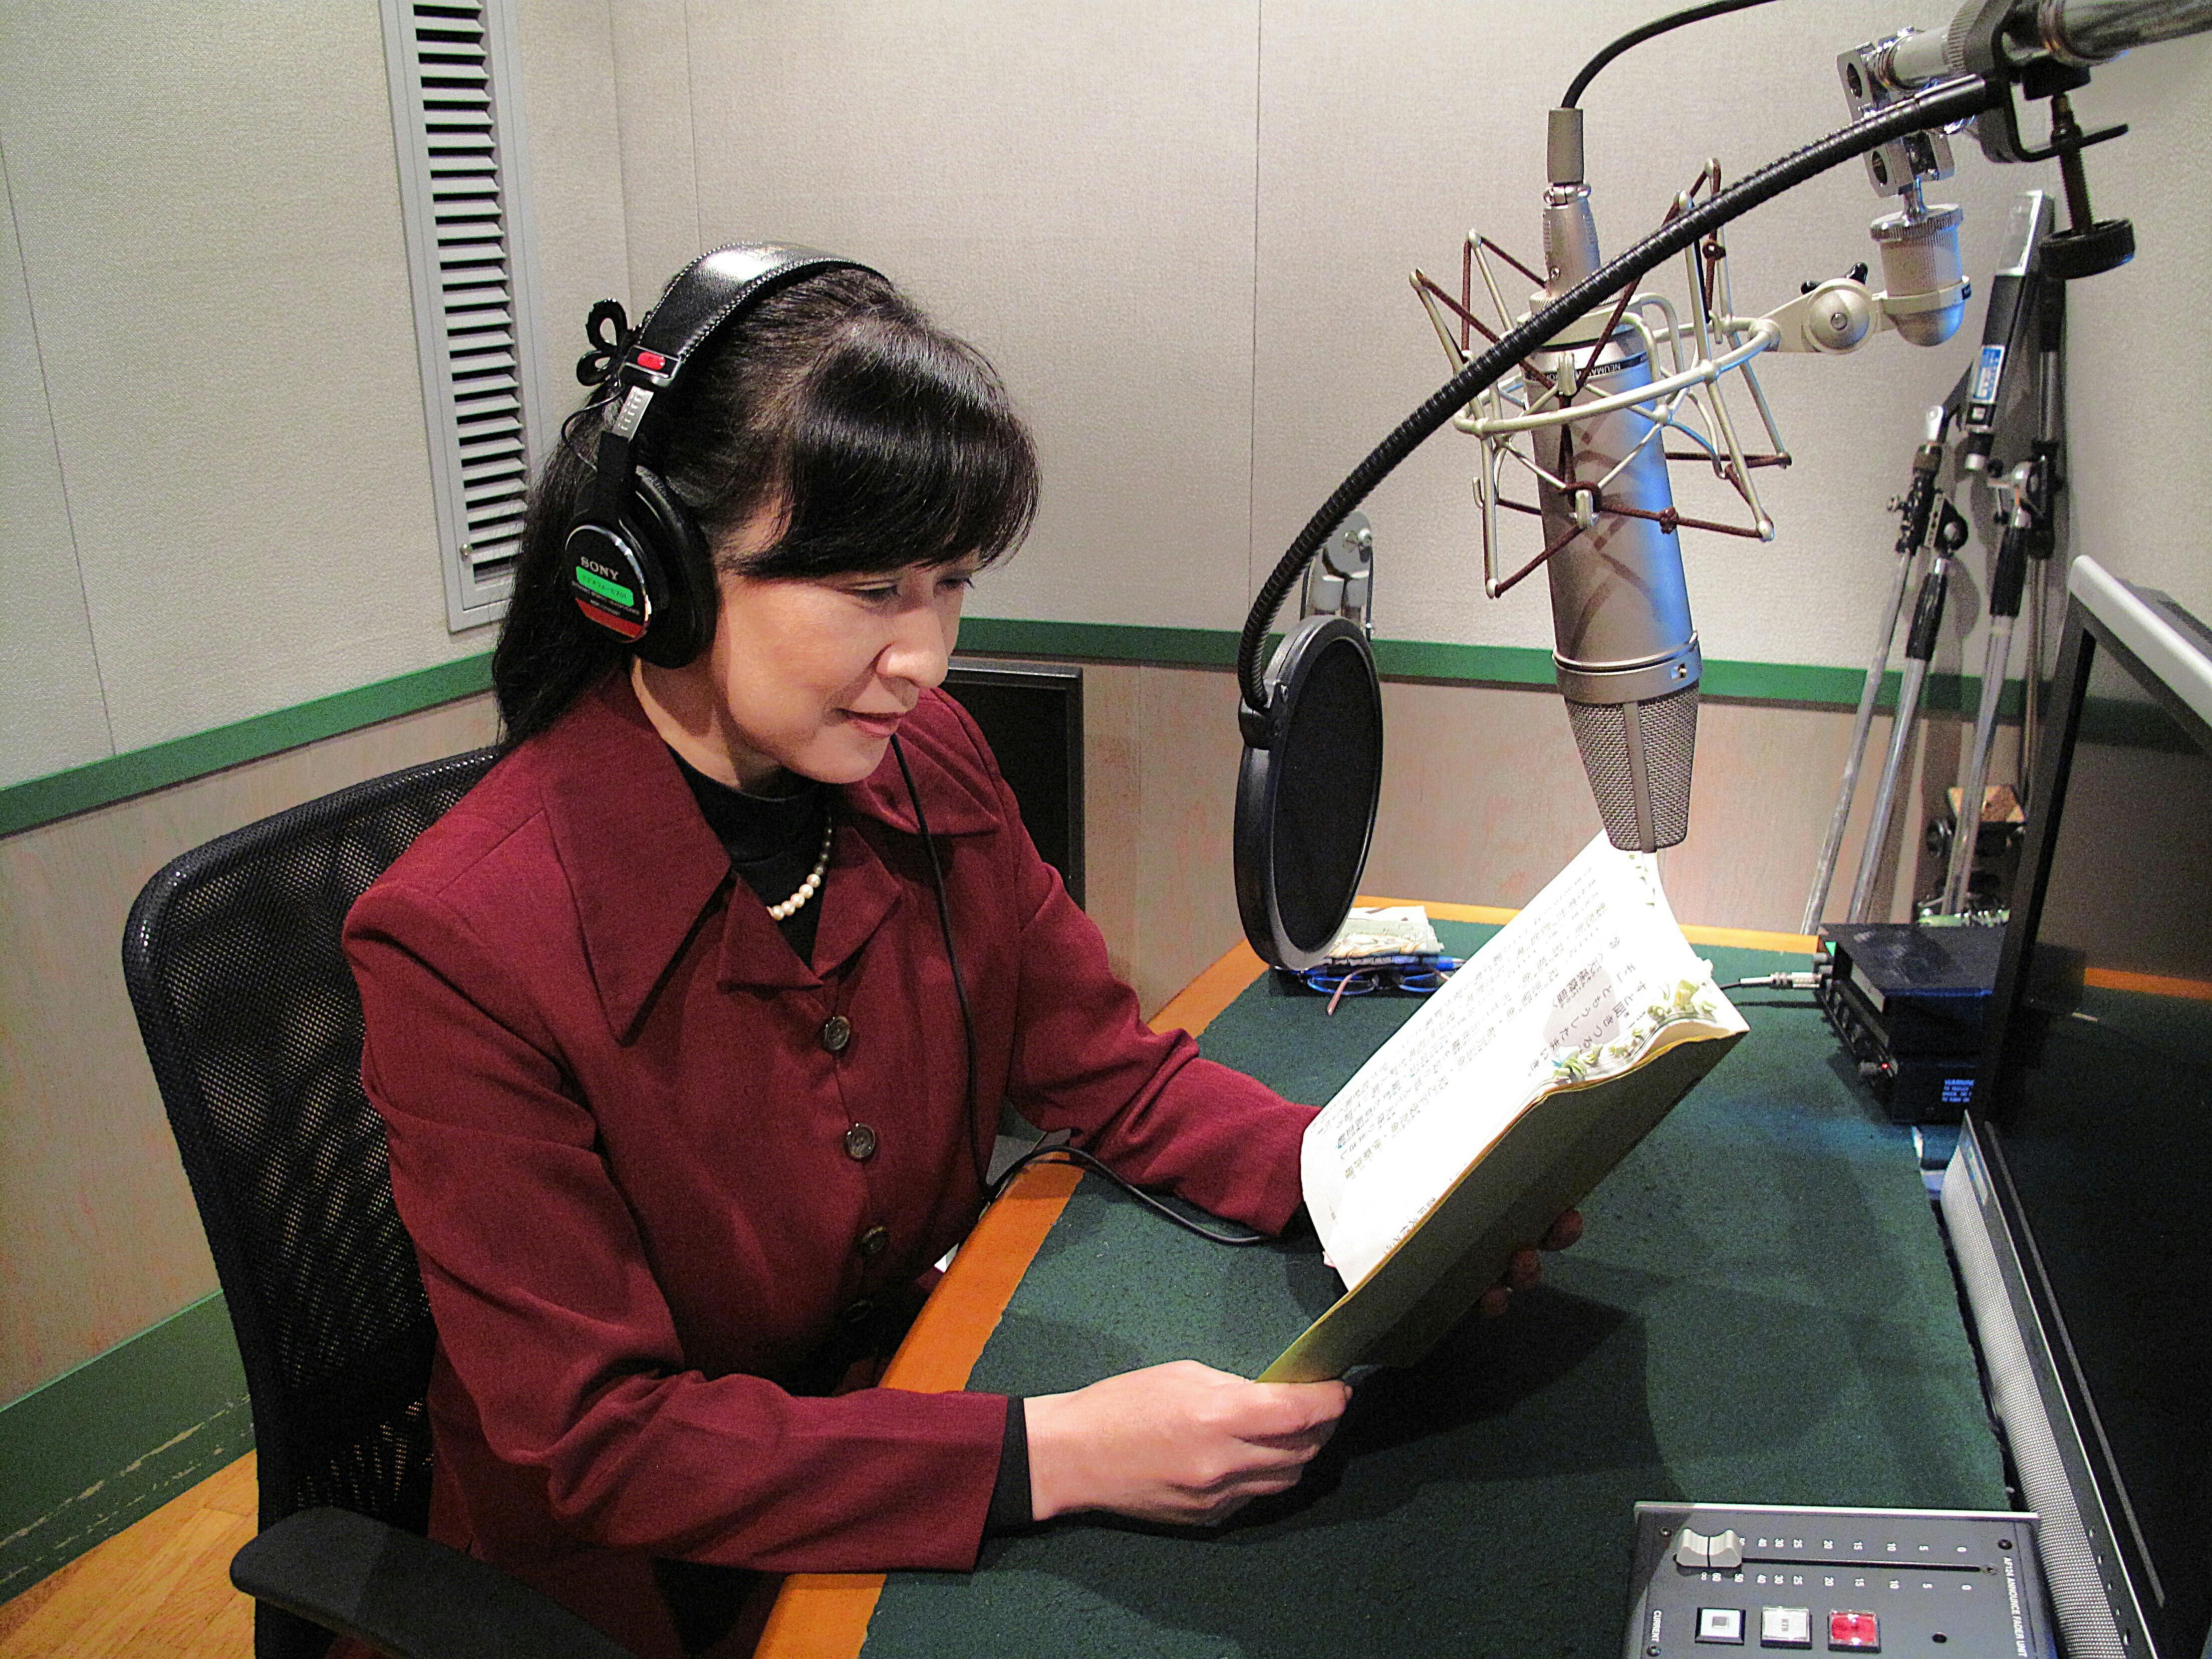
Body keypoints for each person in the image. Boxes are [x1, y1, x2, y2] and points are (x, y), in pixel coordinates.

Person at [345, 247, 1570, 1659]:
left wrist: (1378, 1184)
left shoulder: (928, 761)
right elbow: (600, 1443)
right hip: (645, 1582)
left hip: (903, 1409)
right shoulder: (458, 944)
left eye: (950, 583)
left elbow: (1112, 1074)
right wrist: (1055, 1455)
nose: (926, 657)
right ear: (659, 579)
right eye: (871, 589)